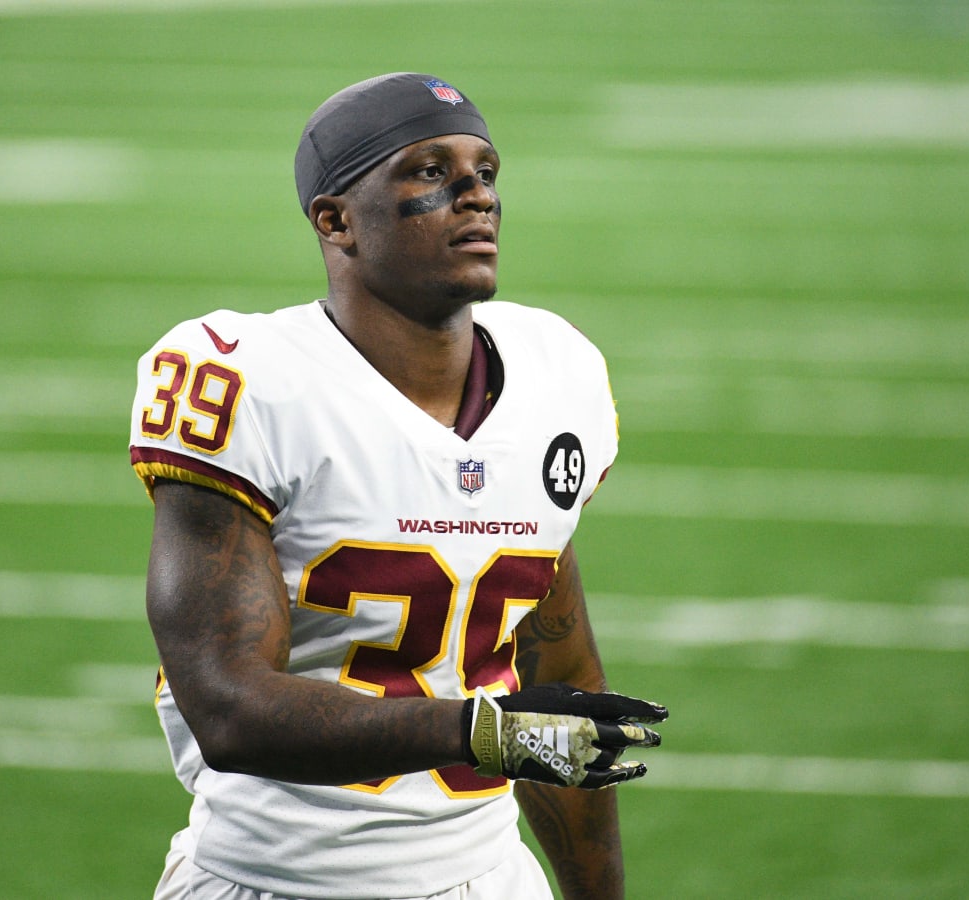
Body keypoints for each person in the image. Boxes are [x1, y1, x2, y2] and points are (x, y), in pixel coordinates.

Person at [128, 72, 668, 900]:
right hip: (273, 879)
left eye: (485, 172)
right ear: (335, 219)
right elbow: (229, 708)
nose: (475, 195)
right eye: (428, 171)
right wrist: (479, 730)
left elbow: (555, 668)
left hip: (488, 876)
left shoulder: (558, 373)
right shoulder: (249, 380)